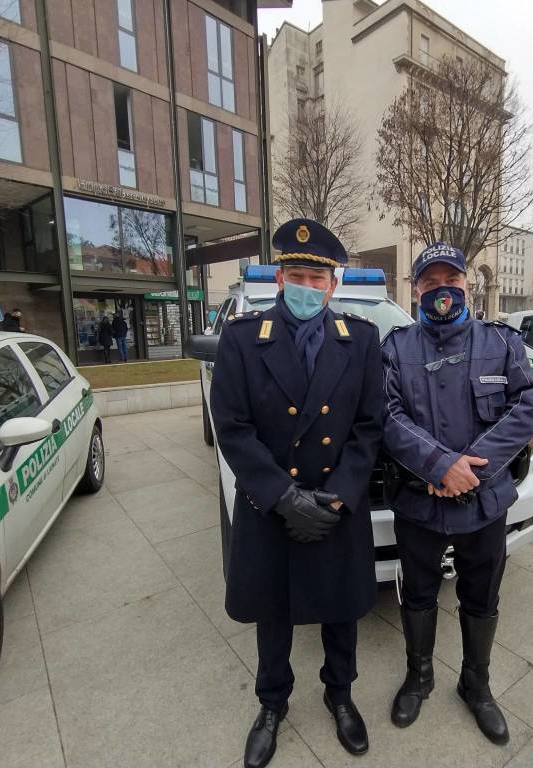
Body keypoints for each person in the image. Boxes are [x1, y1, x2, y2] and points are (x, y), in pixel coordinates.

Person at [210, 218, 383, 768]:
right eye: (296, 274)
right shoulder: (242, 339)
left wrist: (337, 497)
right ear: (279, 279)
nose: (306, 286)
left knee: (340, 609)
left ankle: (340, 694)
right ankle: (271, 704)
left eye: (316, 277)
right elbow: (232, 425)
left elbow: (369, 426)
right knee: (273, 609)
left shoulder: (361, 339)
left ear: (333, 286)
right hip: (271, 504)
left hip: (335, 501)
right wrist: (283, 497)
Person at [381, 242, 533, 745]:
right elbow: (385, 414)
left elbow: (528, 405)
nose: (442, 292)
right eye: (430, 284)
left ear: (467, 287)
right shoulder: (395, 348)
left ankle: (476, 684)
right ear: (416, 291)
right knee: (420, 593)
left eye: (451, 282)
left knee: (482, 596)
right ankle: (419, 676)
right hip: (418, 501)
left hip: (484, 500)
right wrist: (438, 464)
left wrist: (470, 469)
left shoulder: (502, 344)